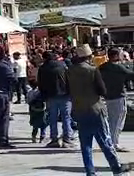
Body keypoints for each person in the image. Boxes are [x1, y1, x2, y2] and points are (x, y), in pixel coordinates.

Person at [68, 44, 132, 176]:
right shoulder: (92, 70)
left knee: (85, 144)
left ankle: (90, 171)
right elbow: (102, 90)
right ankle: (116, 167)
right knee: (105, 140)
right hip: (95, 109)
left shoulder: (69, 71)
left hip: (79, 110)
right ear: (88, 57)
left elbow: (67, 90)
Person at [99, 48, 134, 153]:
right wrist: (125, 62)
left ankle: (110, 141)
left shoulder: (102, 67)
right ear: (115, 56)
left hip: (107, 96)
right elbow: (131, 75)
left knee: (111, 120)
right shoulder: (119, 67)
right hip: (118, 96)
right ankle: (114, 143)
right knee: (118, 121)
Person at [37, 51, 73, 148]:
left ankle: (54, 139)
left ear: (44, 58)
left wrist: (43, 95)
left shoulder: (42, 68)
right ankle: (67, 139)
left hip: (50, 96)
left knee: (52, 118)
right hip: (65, 95)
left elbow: (40, 83)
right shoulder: (62, 65)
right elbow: (69, 79)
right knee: (66, 117)